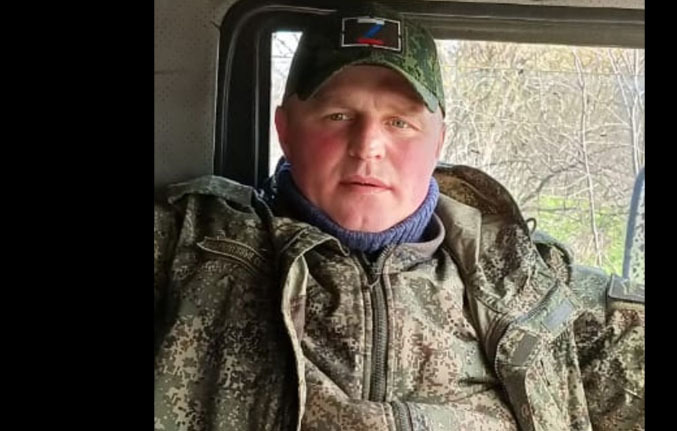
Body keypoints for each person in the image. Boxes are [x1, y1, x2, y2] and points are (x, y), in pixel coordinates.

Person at [154, 2, 644, 430]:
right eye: (338, 116)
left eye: (400, 122)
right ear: (285, 130)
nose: (367, 146)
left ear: (439, 140)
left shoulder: (531, 284)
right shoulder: (191, 247)